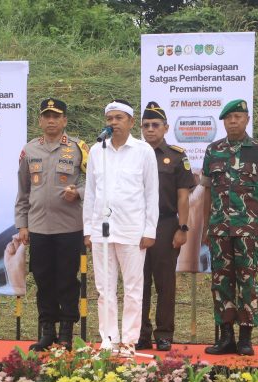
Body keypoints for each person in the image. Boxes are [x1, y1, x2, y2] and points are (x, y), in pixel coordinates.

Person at [83, 99, 159, 357]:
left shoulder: (143, 151)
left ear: (131, 122)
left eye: (119, 118)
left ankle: (129, 341)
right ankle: (109, 340)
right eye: (110, 118)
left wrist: (149, 230)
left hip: (132, 229)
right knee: (104, 289)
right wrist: (88, 228)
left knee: (133, 289)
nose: (113, 123)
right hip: (101, 230)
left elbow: (151, 193)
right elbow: (91, 193)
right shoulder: (97, 151)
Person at [200, 99, 258, 356]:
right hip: (219, 228)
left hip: (249, 229)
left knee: (247, 281)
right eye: (229, 118)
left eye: (238, 117)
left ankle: (245, 338)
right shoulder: (213, 150)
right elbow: (207, 192)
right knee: (221, 282)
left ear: (247, 120)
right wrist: (206, 227)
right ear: (223, 122)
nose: (233, 121)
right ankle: (225, 338)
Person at [15, 98, 88, 351]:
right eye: (46, 116)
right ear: (40, 121)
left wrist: (78, 193)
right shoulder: (29, 150)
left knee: (67, 281)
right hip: (38, 228)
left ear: (64, 120)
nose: (51, 121)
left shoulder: (78, 148)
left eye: (56, 116)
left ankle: (66, 332)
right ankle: (47, 331)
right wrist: (22, 224)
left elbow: (94, 182)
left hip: (69, 227)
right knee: (43, 280)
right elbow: (23, 191)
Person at [136, 102, 196, 351]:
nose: (150, 129)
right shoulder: (133, 154)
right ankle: (140, 333)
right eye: (146, 125)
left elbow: (183, 196)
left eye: (155, 125)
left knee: (164, 282)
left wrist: (182, 228)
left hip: (165, 223)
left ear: (166, 128)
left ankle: (164, 333)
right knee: (137, 283)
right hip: (135, 224)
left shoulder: (177, 156)